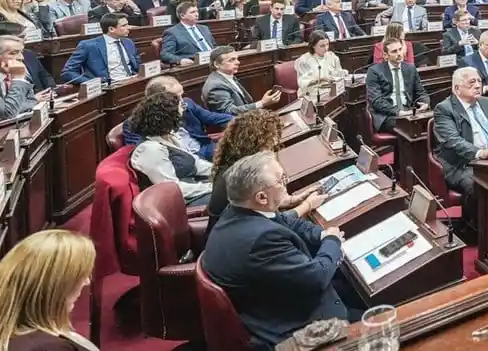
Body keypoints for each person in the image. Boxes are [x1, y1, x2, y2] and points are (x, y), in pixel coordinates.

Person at [200, 152, 359, 348]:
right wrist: (333, 241)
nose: (286, 184)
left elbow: (285, 221)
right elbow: (316, 278)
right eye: (281, 180)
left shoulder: (237, 210)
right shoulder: (261, 241)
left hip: (273, 302)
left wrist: (321, 235)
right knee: (386, 310)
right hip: (297, 328)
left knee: (349, 285)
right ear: (261, 196)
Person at [0, 230, 98, 351]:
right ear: (53, 288)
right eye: (80, 275)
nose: (86, 282)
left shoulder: (14, 338)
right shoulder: (47, 348)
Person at [207, 109, 325, 223]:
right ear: (253, 144)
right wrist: (307, 205)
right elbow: (268, 224)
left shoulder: (238, 165)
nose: (273, 149)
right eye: (269, 144)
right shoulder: (239, 179)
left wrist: (293, 200)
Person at [432, 68, 488, 234]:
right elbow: (453, 141)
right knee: (479, 184)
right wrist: (479, 153)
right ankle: (478, 230)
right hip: (464, 164)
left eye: (479, 82)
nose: (477, 86)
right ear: (457, 88)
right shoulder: (444, 109)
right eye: (471, 82)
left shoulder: (487, 103)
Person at [128, 91, 212, 206]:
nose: (184, 110)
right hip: (180, 201)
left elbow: (195, 163)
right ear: (167, 117)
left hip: (194, 187)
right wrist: (209, 187)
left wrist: (218, 171)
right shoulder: (150, 150)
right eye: (180, 107)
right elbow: (171, 188)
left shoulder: (169, 136)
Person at [123, 76, 226, 160]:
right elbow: (144, 155)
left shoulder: (186, 104)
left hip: (203, 148)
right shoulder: (135, 124)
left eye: (181, 95)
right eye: (176, 98)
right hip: (181, 161)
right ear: (159, 100)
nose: (182, 101)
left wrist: (239, 120)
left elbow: (213, 117)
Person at [366, 37, 430, 133]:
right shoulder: (374, 71)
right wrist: (399, 112)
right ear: (385, 55)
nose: (399, 54)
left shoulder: (410, 68)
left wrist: (425, 103)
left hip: (409, 111)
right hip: (387, 115)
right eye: (394, 51)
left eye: (400, 49)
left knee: (435, 122)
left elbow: (421, 92)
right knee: (409, 128)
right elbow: (377, 101)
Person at [0, 21, 55, 91]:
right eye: (21, 37)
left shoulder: (28, 54)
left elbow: (44, 75)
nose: (25, 39)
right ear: (2, 40)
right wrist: (34, 99)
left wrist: (52, 90)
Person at [60, 13, 140, 84]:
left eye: (127, 24)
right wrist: (92, 83)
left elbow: (137, 65)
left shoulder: (128, 42)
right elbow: (68, 72)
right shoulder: (88, 46)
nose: (128, 28)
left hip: (132, 82)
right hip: (109, 87)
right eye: (124, 26)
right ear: (111, 29)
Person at [202, 46, 282, 115]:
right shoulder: (216, 85)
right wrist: (262, 103)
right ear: (217, 64)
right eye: (231, 60)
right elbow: (229, 112)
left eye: (237, 59)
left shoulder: (227, 77)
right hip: (235, 127)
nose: (238, 62)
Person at [295, 31, 347, 101]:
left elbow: (337, 73)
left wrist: (343, 73)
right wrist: (321, 79)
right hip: (312, 93)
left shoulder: (332, 56)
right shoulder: (304, 60)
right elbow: (302, 83)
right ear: (313, 46)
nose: (326, 48)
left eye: (327, 44)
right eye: (322, 46)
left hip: (331, 90)